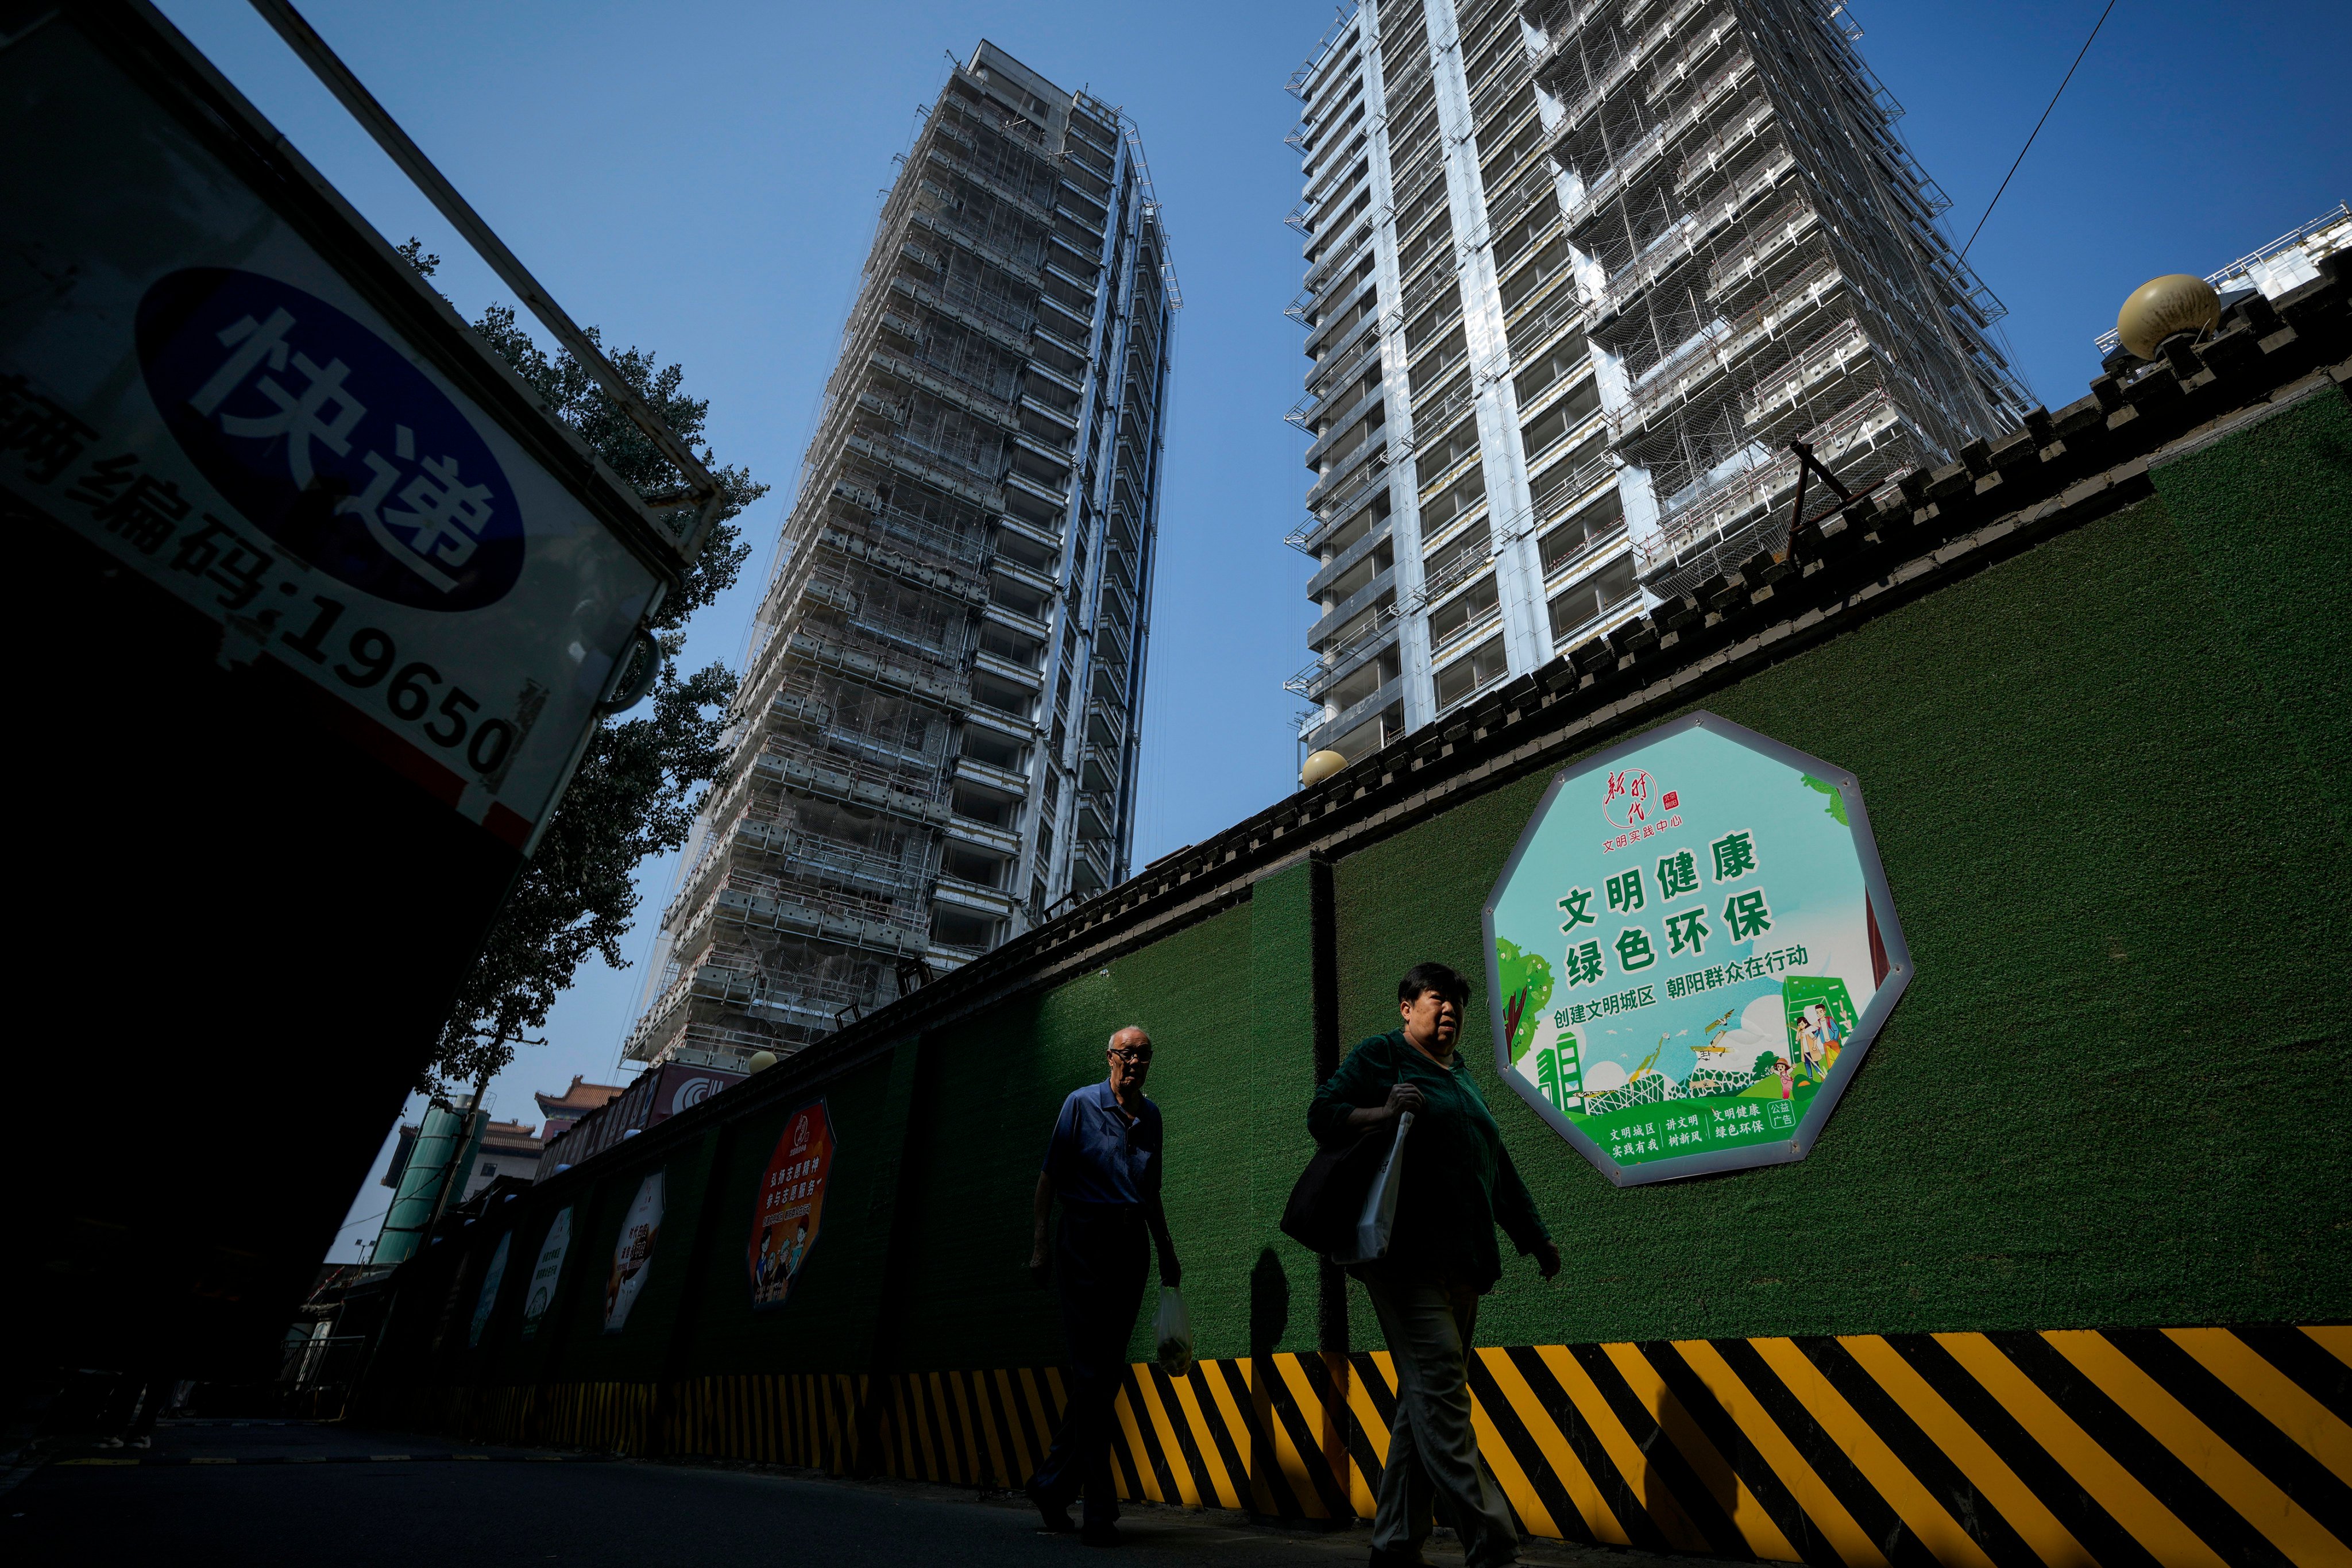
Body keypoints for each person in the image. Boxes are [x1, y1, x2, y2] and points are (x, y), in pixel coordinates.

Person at [1310, 962, 1561, 1568]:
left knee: (1422, 1398)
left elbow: (1495, 1167)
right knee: (1443, 1391)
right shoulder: (1382, 1056)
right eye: (1435, 999)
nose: (1447, 1011)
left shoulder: (1463, 1075)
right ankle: (1493, 1541)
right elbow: (1323, 1113)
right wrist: (1380, 1112)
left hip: (1464, 1262)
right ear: (1406, 1007)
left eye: (1455, 1004)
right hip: (1403, 1257)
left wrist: (1534, 1236)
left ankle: (1395, 1543)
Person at [1024, 1026, 1181, 1546]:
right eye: (1126, 1054)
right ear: (1110, 1058)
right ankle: (1098, 1505)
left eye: (1143, 1055)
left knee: (1102, 1376)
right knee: (1093, 1372)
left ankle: (1051, 1484)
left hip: (1130, 1245)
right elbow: (1048, 1179)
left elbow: (1152, 1191)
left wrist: (1166, 1251)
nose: (1134, 1062)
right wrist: (1041, 1245)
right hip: (1084, 1241)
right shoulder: (1079, 1105)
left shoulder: (1152, 1116)